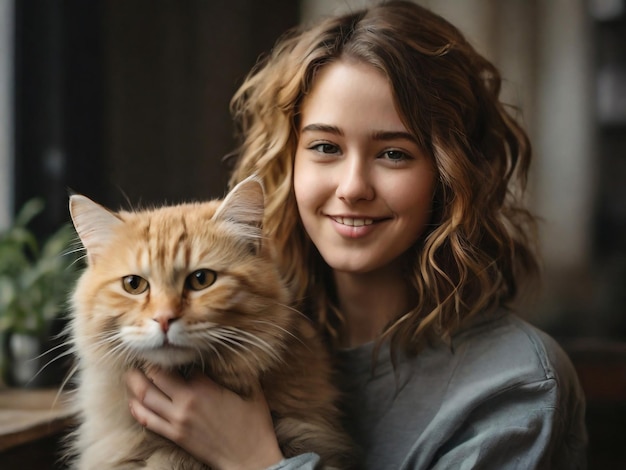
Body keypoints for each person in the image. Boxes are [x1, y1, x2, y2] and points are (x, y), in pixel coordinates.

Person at [125, 1, 588, 468]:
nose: (352, 188)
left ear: (452, 174)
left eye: (393, 153)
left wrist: (254, 457)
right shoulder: (237, 336)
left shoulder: (518, 383)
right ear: (289, 163)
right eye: (325, 147)